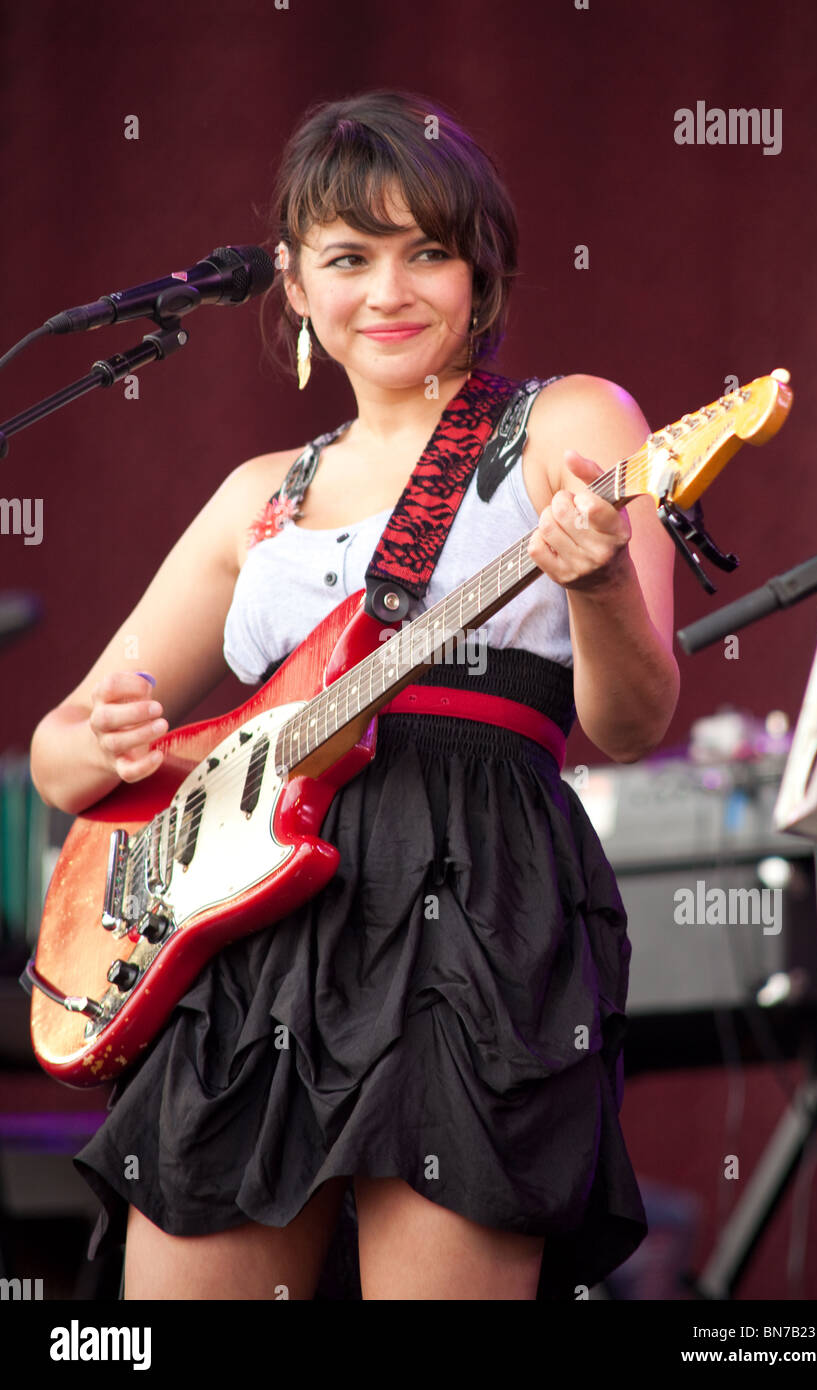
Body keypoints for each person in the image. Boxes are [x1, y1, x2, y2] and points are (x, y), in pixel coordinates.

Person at [29, 89, 679, 1301]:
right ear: (291, 280)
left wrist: (594, 588)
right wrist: (103, 740)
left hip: (473, 900)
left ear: (480, 276)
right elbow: (62, 751)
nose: (388, 291)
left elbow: (633, 722)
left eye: (426, 252)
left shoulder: (568, 423)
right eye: (349, 257)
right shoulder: (254, 498)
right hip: (241, 934)